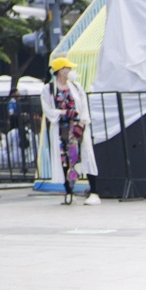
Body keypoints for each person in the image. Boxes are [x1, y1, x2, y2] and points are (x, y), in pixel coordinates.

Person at [43, 55, 96, 203]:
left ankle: (93, 190)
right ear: (60, 71)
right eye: (67, 68)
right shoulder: (49, 89)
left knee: (82, 156)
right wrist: (64, 113)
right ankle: (69, 191)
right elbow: (48, 111)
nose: (70, 70)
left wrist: (83, 121)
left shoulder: (76, 87)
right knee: (64, 159)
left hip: (77, 127)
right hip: (62, 128)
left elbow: (83, 106)